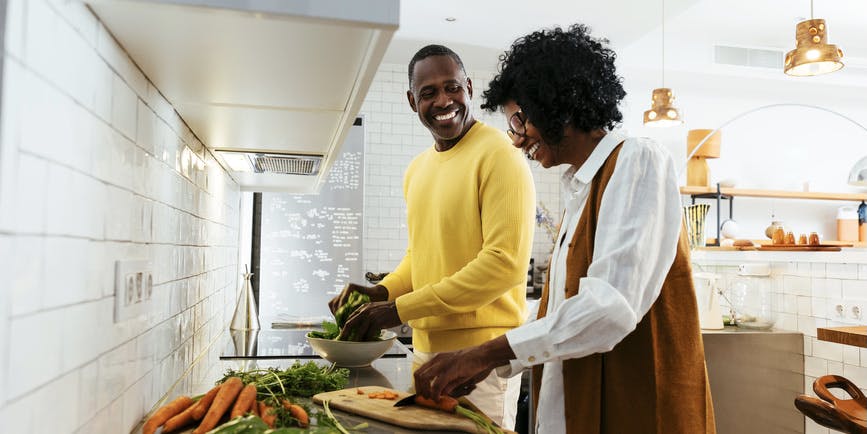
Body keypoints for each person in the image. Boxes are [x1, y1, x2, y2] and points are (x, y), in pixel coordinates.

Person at [412, 25, 716, 434]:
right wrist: (492, 359)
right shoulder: (582, 188)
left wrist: (484, 353)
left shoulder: (638, 162)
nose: (518, 141)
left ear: (559, 102)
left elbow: (608, 308)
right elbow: (559, 313)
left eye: (519, 120)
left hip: (640, 409)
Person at [328, 44, 536, 429]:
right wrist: (384, 292)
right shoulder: (416, 170)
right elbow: (420, 255)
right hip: (424, 353)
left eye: (452, 87)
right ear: (412, 101)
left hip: (481, 359)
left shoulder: (500, 156)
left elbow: (503, 266)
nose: (444, 100)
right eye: (429, 92)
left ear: (469, 88)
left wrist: (399, 310)